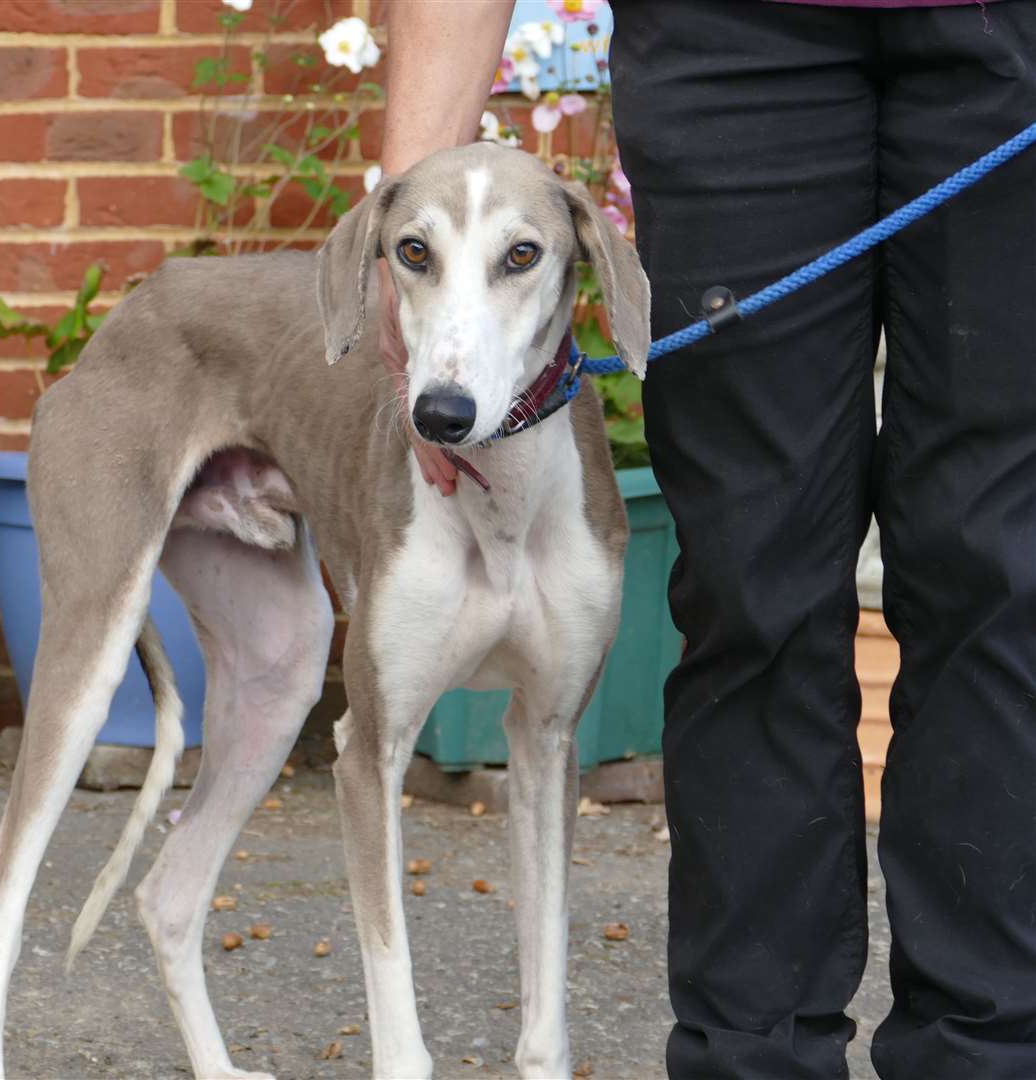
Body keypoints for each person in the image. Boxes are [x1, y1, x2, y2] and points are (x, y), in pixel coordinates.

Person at [377, 2, 1036, 1077]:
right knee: (752, 580)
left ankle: (992, 1055)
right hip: (731, 40)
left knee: (1004, 573)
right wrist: (402, 219)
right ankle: (752, 1058)